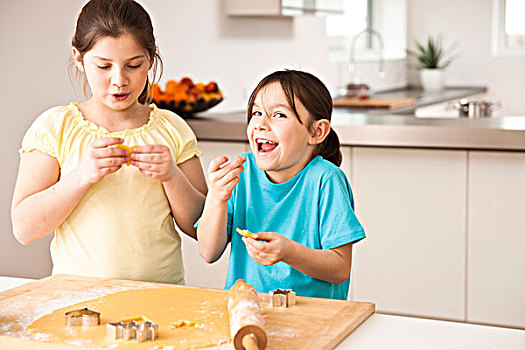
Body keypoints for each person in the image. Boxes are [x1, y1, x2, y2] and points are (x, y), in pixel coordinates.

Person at [11, 0, 207, 284]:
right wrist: (81, 176)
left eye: (134, 65)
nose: (119, 80)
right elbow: (25, 228)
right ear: (79, 59)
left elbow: (201, 227)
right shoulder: (55, 127)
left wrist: (172, 177)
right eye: (103, 66)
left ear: (151, 59)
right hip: (78, 301)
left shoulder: (173, 128)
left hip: (161, 296)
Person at [196, 70, 365, 299]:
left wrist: (288, 252)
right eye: (256, 112)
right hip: (247, 310)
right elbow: (208, 252)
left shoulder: (326, 180)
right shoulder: (242, 174)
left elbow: (339, 268)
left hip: (311, 318)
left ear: (316, 131)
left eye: (279, 115)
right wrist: (216, 198)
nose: (261, 124)